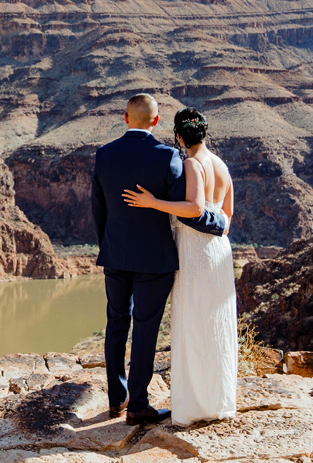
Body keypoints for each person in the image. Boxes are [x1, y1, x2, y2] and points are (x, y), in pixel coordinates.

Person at [90, 94, 227, 426]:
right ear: (155, 122)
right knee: (145, 330)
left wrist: (108, 245)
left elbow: (99, 210)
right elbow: (188, 209)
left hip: (116, 255)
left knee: (116, 324)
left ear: (125, 118)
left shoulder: (104, 155)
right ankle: (138, 405)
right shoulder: (167, 157)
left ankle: (116, 399)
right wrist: (219, 223)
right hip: (155, 259)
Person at [121, 107, 237, 426]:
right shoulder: (222, 166)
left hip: (194, 249)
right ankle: (218, 400)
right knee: (215, 323)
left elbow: (193, 208)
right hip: (219, 251)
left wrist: (153, 203)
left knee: (193, 323)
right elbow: (226, 218)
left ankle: (195, 406)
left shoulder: (190, 162)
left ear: (180, 136)